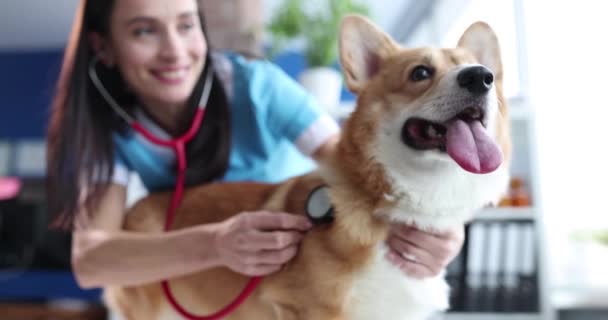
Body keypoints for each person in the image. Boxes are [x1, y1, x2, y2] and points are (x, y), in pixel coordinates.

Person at [46, 0, 464, 290]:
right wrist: (217, 244)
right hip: (204, 281)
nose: (175, 51)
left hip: (297, 274)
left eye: (187, 25)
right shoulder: (106, 127)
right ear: (103, 47)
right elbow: (91, 261)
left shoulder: (258, 87)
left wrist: (443, 230)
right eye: (144, 31)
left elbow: (362, 170)